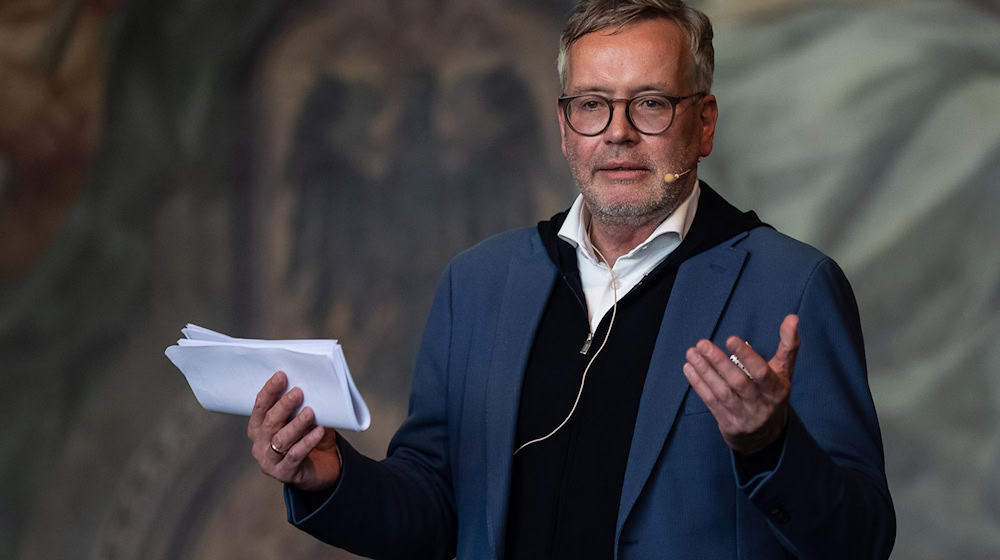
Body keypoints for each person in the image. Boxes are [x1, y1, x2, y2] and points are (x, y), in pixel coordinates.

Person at [247, 1, 896, 558]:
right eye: (592, 105)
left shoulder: (792, 286)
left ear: (704, 124)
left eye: (650, 104)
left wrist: (771, 447)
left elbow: (861, 541)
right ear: (564, 128)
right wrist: (331, 478)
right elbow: (434, 511)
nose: (618, 133)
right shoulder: (477, 284)